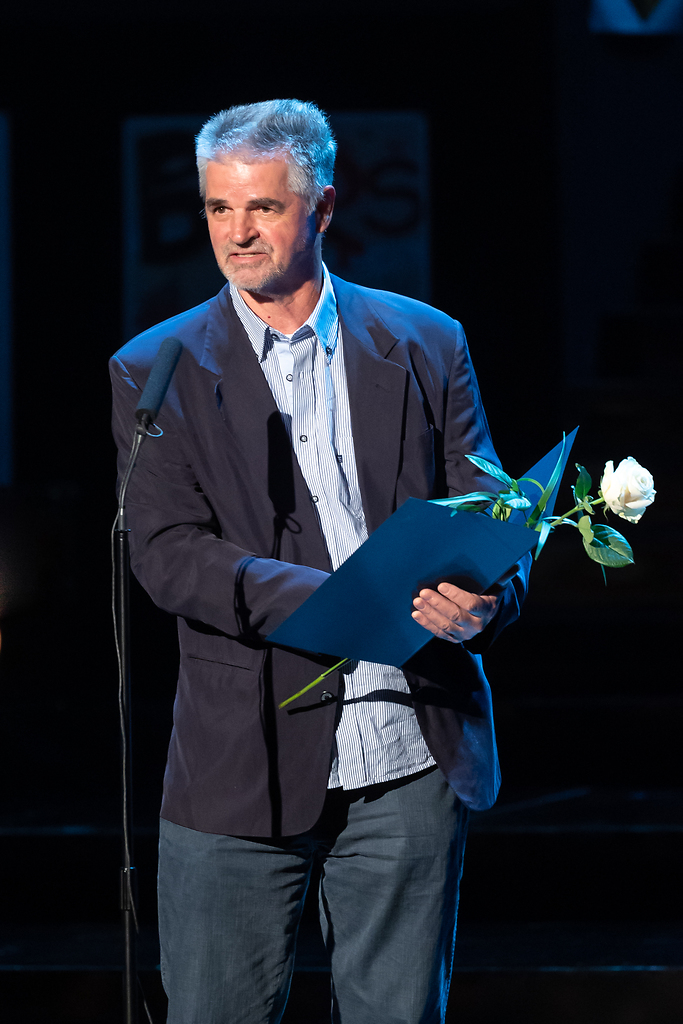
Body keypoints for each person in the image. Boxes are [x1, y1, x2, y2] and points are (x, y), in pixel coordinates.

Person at [110, 99, 529, 1024]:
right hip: (241, 761)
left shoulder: (426, 340)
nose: (237, 233)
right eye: (219, 208)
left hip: (410, 753)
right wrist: (344, 599)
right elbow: (169, 553)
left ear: (324, 208)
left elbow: (491, 508)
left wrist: (487, 600)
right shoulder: (156, 365)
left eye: (262, 207)